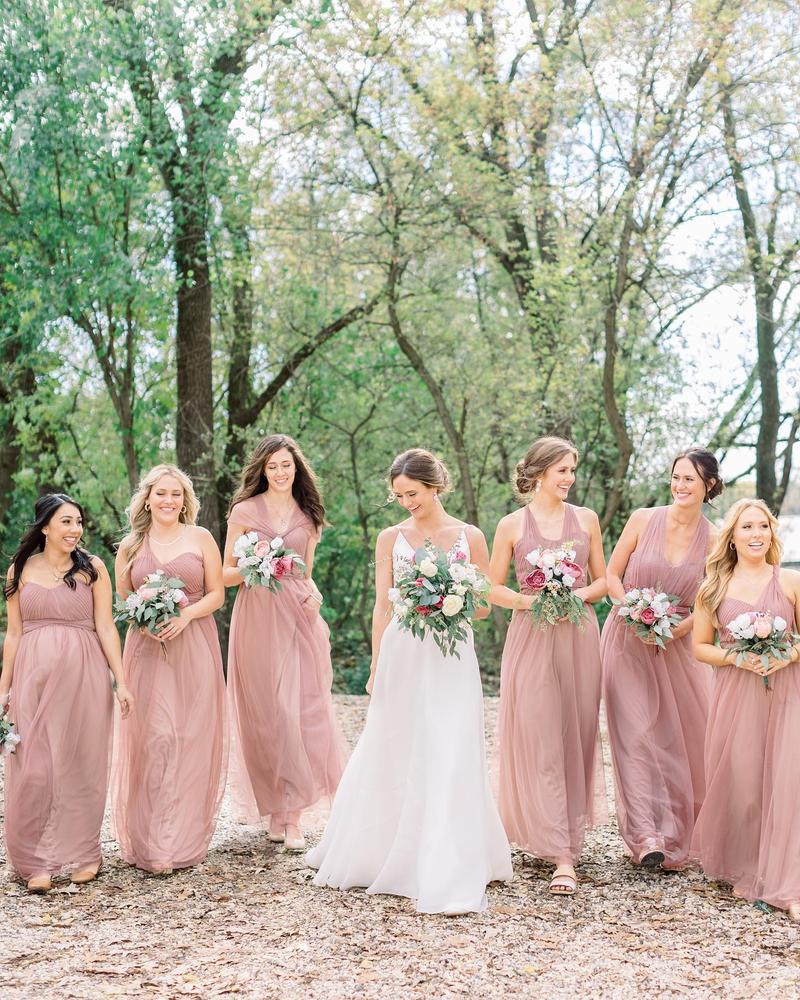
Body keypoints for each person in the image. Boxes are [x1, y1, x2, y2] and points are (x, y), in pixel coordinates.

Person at [307, 448, 512, 914]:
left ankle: (448, 855)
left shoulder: (470, 535)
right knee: (393, 742)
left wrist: (449, 597)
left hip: (451, 651)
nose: (406, 502)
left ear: (434, 486)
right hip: (403, 649)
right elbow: (383, 605)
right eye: (398, 496)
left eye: (413, 494)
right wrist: (377, 666)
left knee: (450, 742)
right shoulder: (390, 538)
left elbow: (482, 606)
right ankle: (382, 850)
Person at [489, 436, 607, 896]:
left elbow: (604, 582)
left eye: (572, 470)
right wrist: (529, 600)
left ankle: (564, 837)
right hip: (531, 636)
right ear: (539, 472)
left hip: (578, 636)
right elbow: (489, 587)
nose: (569, 478)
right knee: (539, 733)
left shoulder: (587, 520)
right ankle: (560, 852)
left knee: (574, 733)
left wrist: (571, 596)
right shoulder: (511, 525)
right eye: (562, 470)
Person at [1, 493, 132, 892]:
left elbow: (106, 626)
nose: (75, 530)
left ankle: (84, 852)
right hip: (33, 677)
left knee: (81, 761)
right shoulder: (19, 569)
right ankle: (34, 858)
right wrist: (3, 688)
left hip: (84, 675)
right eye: (66, 522)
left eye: (78, 522)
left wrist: (121, 680)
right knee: (35, 765)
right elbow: (15, 632)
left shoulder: (92, 568)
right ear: (45, 527)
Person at [601, 449, 720, 869]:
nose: (680, 486)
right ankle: (646, 836)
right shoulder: (641, 519)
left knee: (677, 738)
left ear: (708, 484)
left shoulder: (717, 538)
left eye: (689, 479)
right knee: (634, 734)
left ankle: (678, 833)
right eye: (675, 477)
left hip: (678, 647)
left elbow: (710, 602)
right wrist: (631, 607)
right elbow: (612, 575)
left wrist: (674, 629)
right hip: (625, 640)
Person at [224, 434, 344, 852]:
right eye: (272, 466)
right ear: (262, 470)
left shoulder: (307, 515)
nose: (279, 472)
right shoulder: (243, 511)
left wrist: (317, 592)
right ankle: (274, 805)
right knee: (266, 713)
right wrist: (255, 564)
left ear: (297, 469)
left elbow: (306, 572)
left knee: (296, 708)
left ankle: (293, 815)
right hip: (256, 615)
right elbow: (224, 573)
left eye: (286, 465)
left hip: (297, 615)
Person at [113, 465, 226, 874]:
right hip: (146, 650)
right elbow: (124, 598)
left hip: (194, 645)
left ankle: (182, 836)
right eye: (161, 493)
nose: (168, 501)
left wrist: (185, 615)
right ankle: (154, 840)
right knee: (156, 738)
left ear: (185, 500)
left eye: (176, 494)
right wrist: (144, 618)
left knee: (189, 737)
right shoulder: (130, 545)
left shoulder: (201, 538)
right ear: (147, 498)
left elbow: (217, 593)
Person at [692, 498, 800, 921]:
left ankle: (788, 880)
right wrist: (736, 658)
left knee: (787, 780)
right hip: (736, 696)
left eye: (763, 527)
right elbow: (701, 647)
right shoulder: (713, 588)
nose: (757, 535)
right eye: (747, 528)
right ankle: (751, 865)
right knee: (745, 782)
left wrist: (788, 656)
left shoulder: (789, 582)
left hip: (787, 692)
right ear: (732, 537)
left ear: (772, 534)